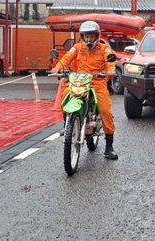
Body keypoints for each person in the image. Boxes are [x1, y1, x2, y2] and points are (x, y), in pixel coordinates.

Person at [51, 21, 119, 160]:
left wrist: (111, 70)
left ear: (96, 36)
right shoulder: (77, 48)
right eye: (86, 37)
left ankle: (109, 146)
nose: (88, 39)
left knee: (105, 110)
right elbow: (66, 59)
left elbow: (110, 59)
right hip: (79, 80)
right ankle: (67, 124)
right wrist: (57, 67)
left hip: (98, 82)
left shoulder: (104, 48)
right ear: (82, 36)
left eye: (91, 37)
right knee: (65, 95)